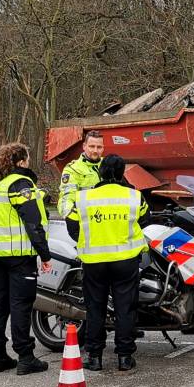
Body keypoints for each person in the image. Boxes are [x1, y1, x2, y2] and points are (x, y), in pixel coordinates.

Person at [0, 143, 52, 375]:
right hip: (19, 255)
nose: (29, 162)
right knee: (21, 305)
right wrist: (44, 254)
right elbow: (33, 222)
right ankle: (25, 356)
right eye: (27, 158)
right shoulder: (20, 183)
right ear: (20, 161)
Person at [69, 154, 147, 372]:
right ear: (123, 173)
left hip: (94, 262)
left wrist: (87, 241)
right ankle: (124, 357)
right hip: (125, 260)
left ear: (100, 171)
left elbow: (72, 226)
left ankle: (94, 357)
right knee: (125, 308)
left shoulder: (84, 198)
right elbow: (146, 220)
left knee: (95, 309)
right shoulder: (134, 196)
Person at [58, 130, 104, 238]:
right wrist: (72, 221)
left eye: (99, 147)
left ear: (103, 147)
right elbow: (66, 199)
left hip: (108, 224)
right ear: (84, 146)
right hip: (85, 226)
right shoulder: (73, 169)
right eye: (91, 146)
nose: (95, 151)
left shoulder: (108, 165)